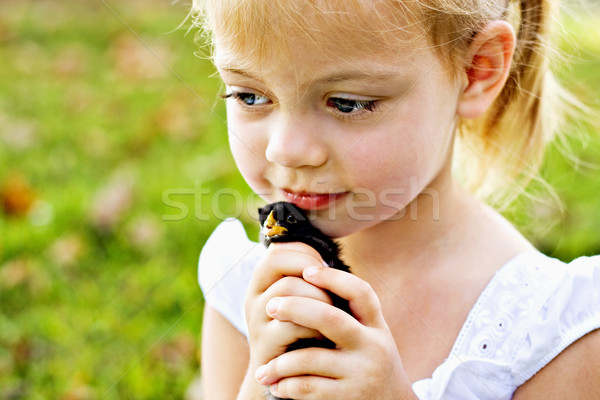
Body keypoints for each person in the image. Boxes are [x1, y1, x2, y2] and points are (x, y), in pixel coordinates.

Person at [193, 0, 600, 399]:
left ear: (477, 72)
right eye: (249, 96)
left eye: (347, 103)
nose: (285, 150)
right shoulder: (245, 286)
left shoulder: (551, 336)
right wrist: (264, 384)